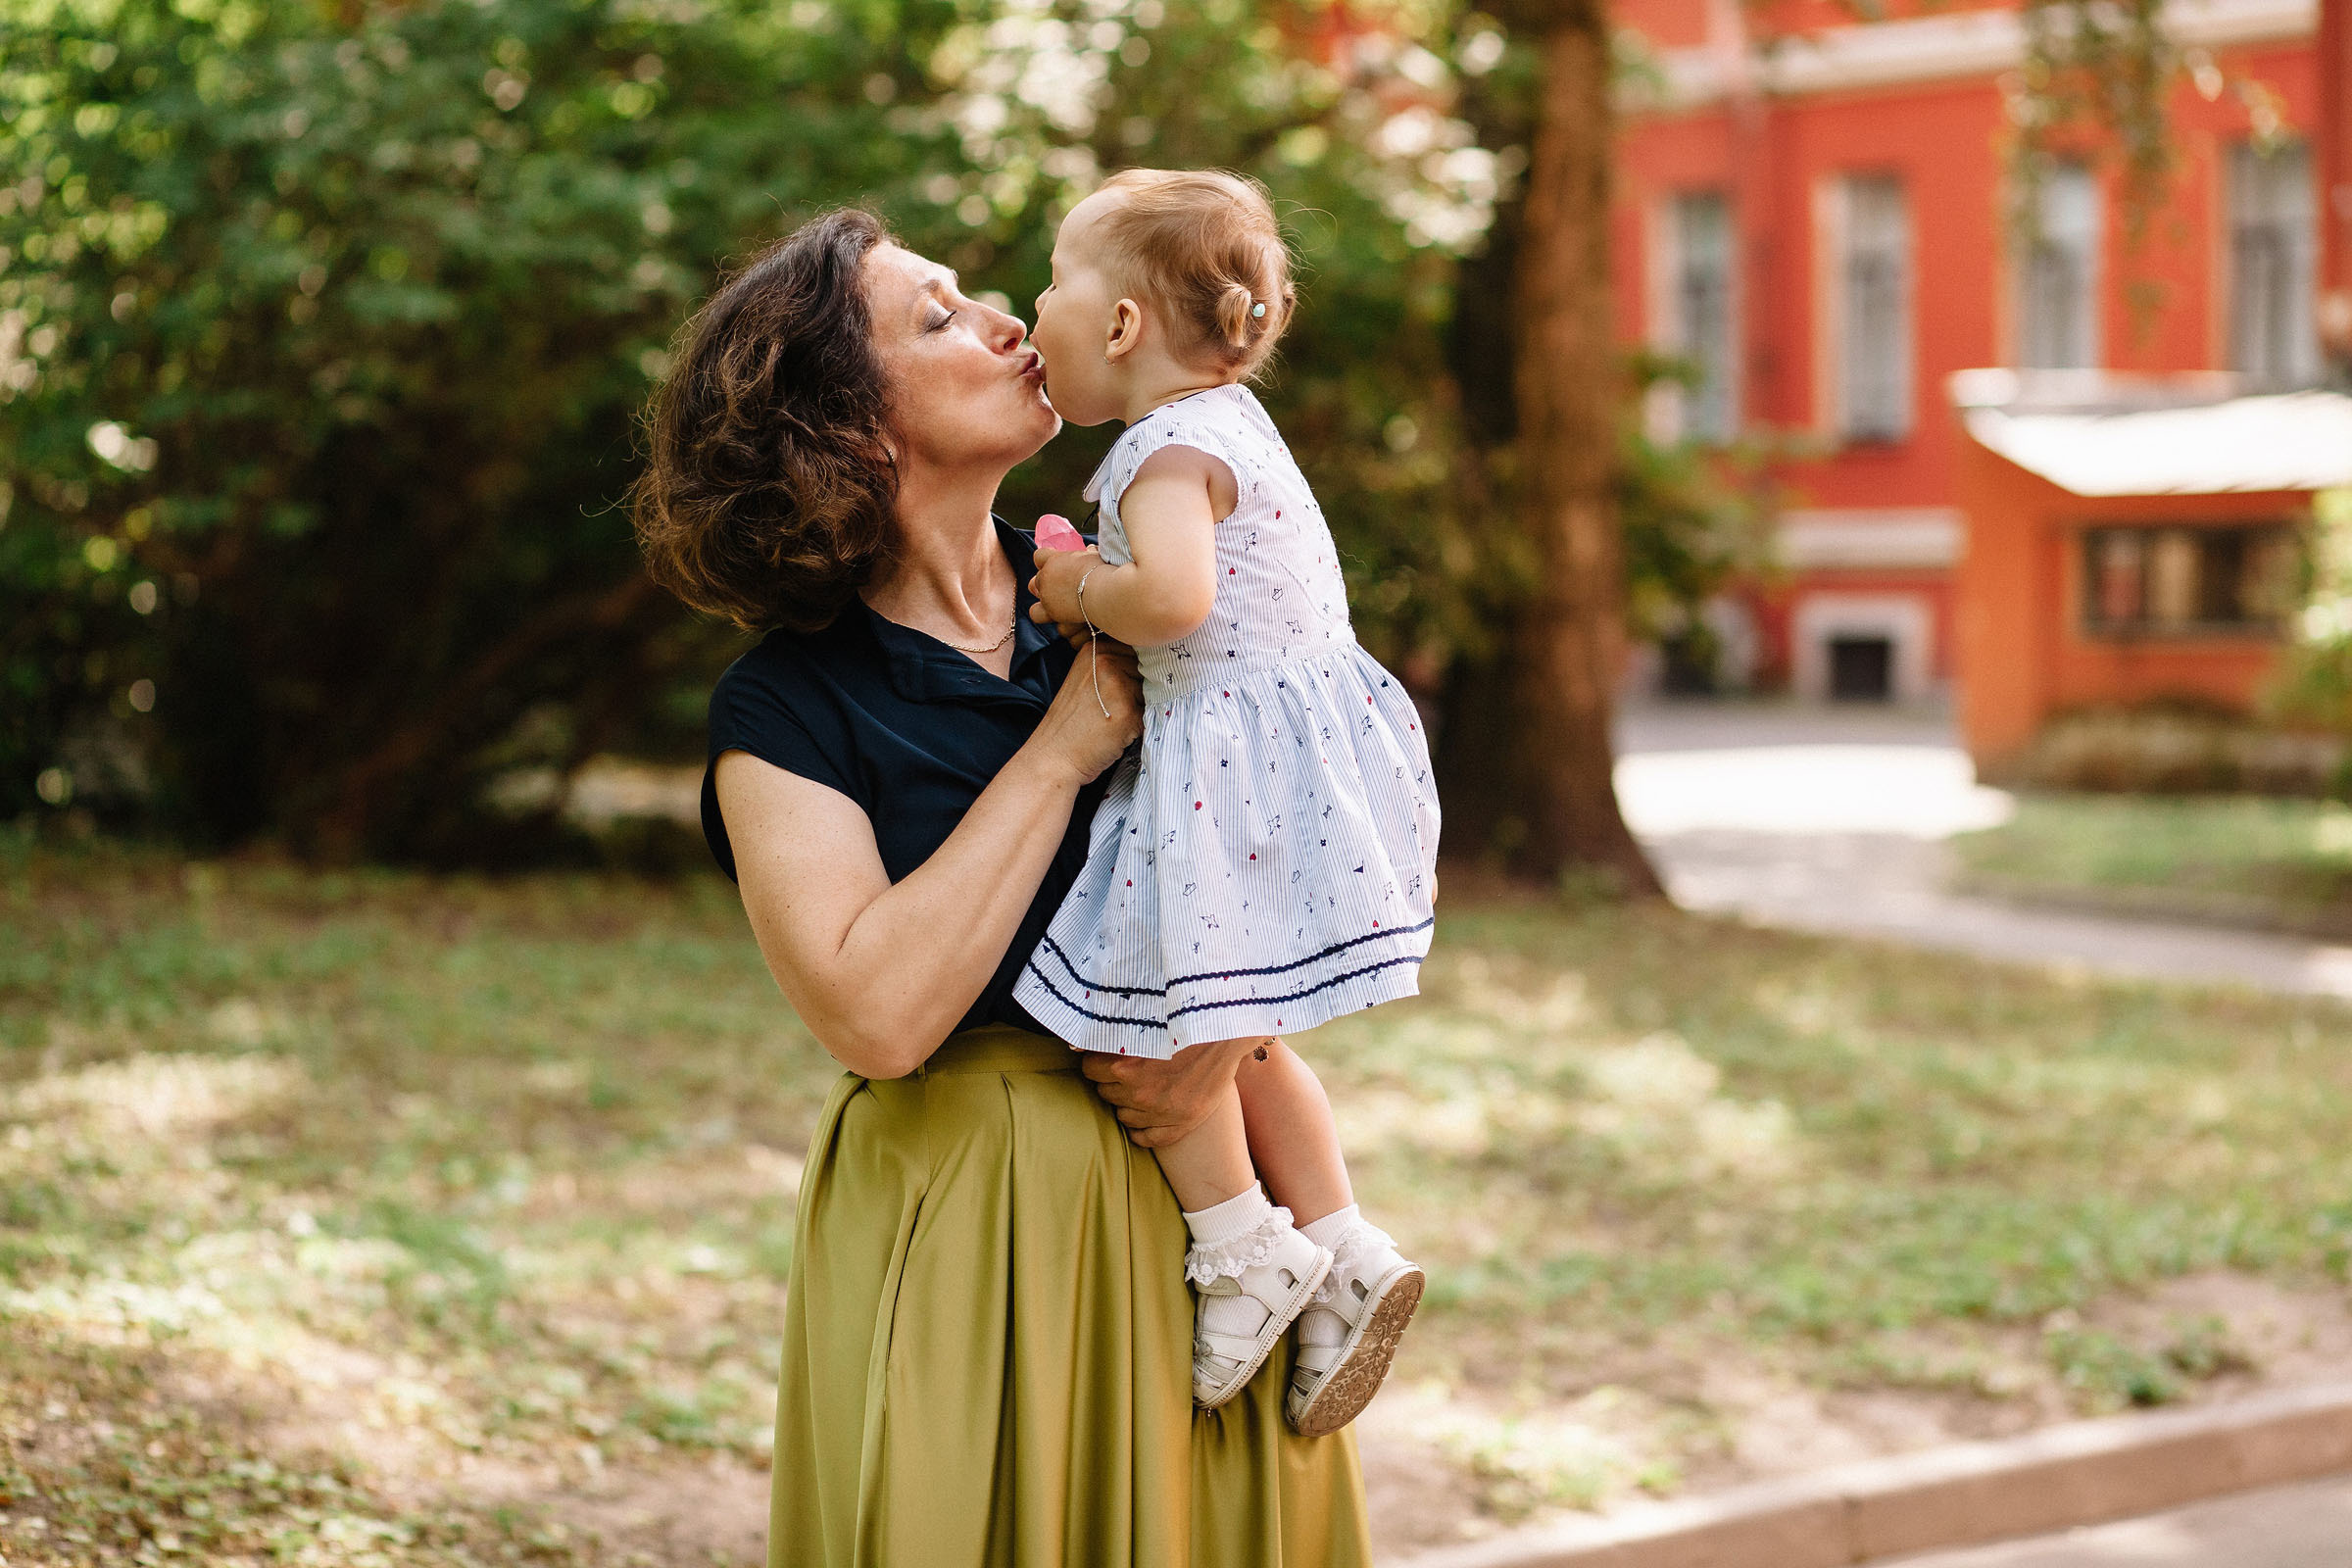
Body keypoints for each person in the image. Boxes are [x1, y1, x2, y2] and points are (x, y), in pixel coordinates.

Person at [631, 209, 1373, 1567]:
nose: (1004, 318)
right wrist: (1063, 751)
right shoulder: (788, 709)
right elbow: (876, 1015)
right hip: (975, 1229)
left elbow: (1284, 848)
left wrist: (1228, 1049)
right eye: (937, 315)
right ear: (849, 432)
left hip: (1221, 1235)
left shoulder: (1130, 597)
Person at [1011, 169, 1439, 1437]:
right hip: (1298, 766)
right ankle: (1345, 1245)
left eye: (1052, 284)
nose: (1033, 311)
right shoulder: (1237, 425)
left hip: (1227, 782)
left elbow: (1175, 599)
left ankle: (1241, 1244)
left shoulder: (1160, 452)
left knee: (1133, 1018)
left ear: (1122, 324)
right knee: (1243, 1034)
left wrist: (1081, 590)